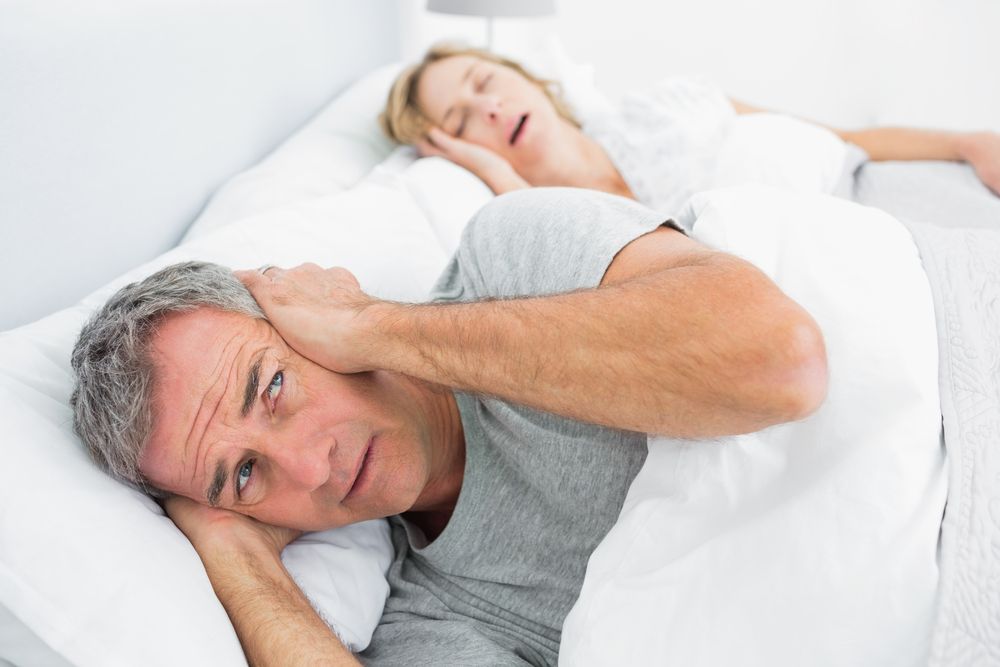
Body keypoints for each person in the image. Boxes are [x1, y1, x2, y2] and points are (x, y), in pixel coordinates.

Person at [70, 188, 829, 666]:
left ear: (305, 319)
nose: (309, 468)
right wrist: (236, 556)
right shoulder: (427, 616)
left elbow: (780, 363)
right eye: (243, 474)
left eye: (272, 386)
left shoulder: (512, 255)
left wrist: (373, 326)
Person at [379, 44, 1000, 218]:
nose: (485, 110)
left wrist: (966, 142)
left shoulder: (671, 106)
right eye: (461, 121)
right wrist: (500, 180)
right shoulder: (542, 218)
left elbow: (842, 136)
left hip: (894, 197)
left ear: (530, 80)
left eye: (485, 83)